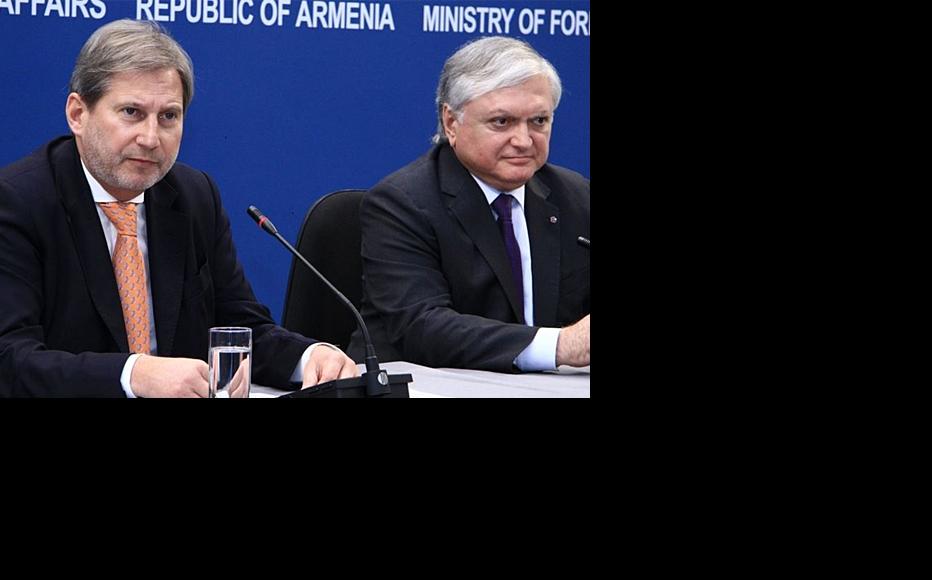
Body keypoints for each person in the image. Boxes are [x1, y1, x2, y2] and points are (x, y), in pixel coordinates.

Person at [0, 19, 358, 397]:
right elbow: (9, 359)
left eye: (168, 116)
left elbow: (239, 327)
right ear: (77, 114)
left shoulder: (193, 195)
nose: (151, 138)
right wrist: (134, 374)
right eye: (131, 113)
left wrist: (309, 356)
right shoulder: (19, 202)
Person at [348, 36, 589, 372]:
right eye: (501, 122)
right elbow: (423, 328)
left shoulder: (575, 196)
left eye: (539, 121)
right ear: (451, 123)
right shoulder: (402, 203)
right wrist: (561, 345)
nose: (523, 141)